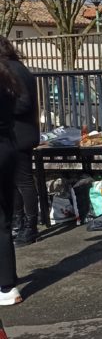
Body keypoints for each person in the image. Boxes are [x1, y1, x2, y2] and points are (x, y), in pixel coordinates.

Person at [1, 38, 41, 246]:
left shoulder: (12, 70)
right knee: (15, 182)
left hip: (20, 134)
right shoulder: (17, 67)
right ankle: (19, 222)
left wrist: (5, 108)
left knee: (24, 181)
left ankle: (30, 227)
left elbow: (24, 103)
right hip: (20, 133)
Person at [0, 47, 25, 306]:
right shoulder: (8, 77)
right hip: (8, 147)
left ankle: (6, 285)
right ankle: (8, 280)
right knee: (4, 219)